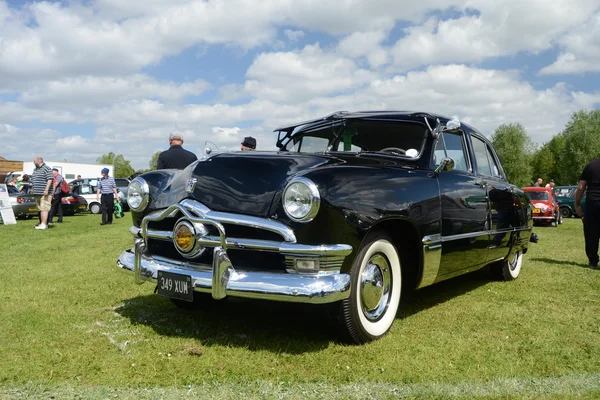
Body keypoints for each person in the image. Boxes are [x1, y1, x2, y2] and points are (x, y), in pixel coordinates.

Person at [576, 158, 600, 269]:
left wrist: (577, 204)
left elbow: (581, 187)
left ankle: (593, 262)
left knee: (591, 233)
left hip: (592, 203)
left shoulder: (590, 166)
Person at [30, 156, 53, 230]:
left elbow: (50, 179)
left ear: (39, 161)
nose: (34, 163)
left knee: (44, 208)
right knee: (40, 208)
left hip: (44, 192)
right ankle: (42, 223)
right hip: (37, 192)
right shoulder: (35, 169)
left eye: (34, 161)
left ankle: (44, 224)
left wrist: (46, 189)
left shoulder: (46, 168)